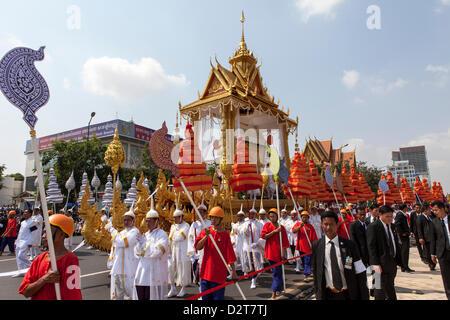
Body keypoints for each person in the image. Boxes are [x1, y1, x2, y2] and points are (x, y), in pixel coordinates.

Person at [18, 214, 82, 300]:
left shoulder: (70, 260)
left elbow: (73, 295)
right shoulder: (39, 259)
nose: (43, 236)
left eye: (47, 232)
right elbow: (26, 292)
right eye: (43, 232)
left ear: (62, 235)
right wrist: (44, 279)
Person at [311, 210, 368, 300]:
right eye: (325, 224)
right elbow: (316, 270)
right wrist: (317, 291)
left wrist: (364, 294)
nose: (328, 227)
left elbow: (360, 271)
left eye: (332, 224)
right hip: (328, 293)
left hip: (348, 293)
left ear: (337, 225)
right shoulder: (316, 245)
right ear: (322, 225)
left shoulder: (349, 245)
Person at [195, 206, 237, 300]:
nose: (213, 220)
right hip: (206, 273)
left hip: (219, 275)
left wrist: (234, 272)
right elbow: (198, 246)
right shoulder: (206, 231)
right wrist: (206, 236)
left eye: (216, 217)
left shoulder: (225, 235)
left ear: (220, 219)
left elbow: (230, 254)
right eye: (212, 217)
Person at [133, 204, 169, 300]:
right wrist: (139, 244)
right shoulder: (145, 235)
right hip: (142, 272)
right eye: (146, 221)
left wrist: (145, 245)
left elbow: (158, 252)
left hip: (154, 272)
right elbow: (137, 254)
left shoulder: (162, 235)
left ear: (156, 221)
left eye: (150, 221)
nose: (147, 223)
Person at [367, 205, 402, 300]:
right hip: (379, 264)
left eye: (391, 216)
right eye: (387, 216)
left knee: (390, 287)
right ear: (380, 215)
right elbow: (371, 247)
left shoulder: (392, 226)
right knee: (379, 289)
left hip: (391, 263)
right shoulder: (373, 227)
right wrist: (375, 264)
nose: (390, 218)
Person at [105, 208, 139, 300]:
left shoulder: (135, 231)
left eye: (128, 219)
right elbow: (115, 247)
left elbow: (122, 242)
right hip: (118, 268)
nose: (126, 222)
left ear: (133, 221)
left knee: (132, 294)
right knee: (117, 295)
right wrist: (111, 261)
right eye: (124, 219)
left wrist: (112, 230)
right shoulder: (122, 232)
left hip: (129, 269)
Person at [261, 209, 289, 299]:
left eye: (273, 216)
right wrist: (274, 232)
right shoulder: (267, 225)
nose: (272, 218)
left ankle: (279, 288)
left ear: (277, 216)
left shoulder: (282, 227)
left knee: (278, 272)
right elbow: (263, 236)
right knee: (276, 272)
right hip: (270, 253)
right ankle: (274, 292)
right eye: (270, 216)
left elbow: (284, 243)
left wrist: (283, 255)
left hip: (279, 254)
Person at [168, 206, 191, 297]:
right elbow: (171, 237)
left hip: (183, 251)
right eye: (174, 217)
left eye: (176, 217)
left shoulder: (186, 226)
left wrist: (174, 236)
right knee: (170, 268)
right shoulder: (173, 226)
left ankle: (183, 288)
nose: (174, 219)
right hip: (173, 250)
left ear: (181, 217)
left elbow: (179, 237)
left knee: (182, 269)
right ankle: (172, 288)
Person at [187, 199, 211, 288]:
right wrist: (192, 252)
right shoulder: (194, 225)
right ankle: (200, 291)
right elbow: (190, 239)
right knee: (197, 273)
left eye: (202, 212)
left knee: (206, 274)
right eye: (198, 212)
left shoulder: (209, 223)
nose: (200, 214)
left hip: (207, 253)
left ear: (205, 213)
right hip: (196, 252)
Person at [240, 206, 265, 289]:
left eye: (253, 214)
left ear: (256, 214)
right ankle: (252, 276)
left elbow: (263, 236)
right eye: (250, 214)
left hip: (255, 248)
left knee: (255, 265)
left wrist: (257, 243)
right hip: (247, 248)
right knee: (249, 264)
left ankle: (253, 280)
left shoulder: (260, 224)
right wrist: (245, 230)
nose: (251, 215)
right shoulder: (245, 224)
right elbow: (240, 234)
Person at [430, 200, 450, 299]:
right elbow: (433, 239)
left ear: (443, 209)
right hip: (442, 253)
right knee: (446, 277)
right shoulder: (434, 222)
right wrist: (432, 254)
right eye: (433, 210)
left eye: (436, 210)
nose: (435, 212)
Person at [292, 210, 317, 281]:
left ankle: (306, 276)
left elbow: (314, 237)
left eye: (306, 217)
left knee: (307, 261)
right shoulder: (298, 224)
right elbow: (293, 231)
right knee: (303, 261)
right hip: (300, 247)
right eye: (303, 217)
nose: (304, 219)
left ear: (308, 218)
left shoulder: (310, 226)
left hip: (308, 247)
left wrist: (314, 246)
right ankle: (308, 271)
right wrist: (300, 227)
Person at [13, 210, 37, 276]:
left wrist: (30, 242)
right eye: (24, 212)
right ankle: (21, 271)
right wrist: (16, 241)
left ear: (30, 214)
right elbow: (20, 233)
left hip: (26, 241)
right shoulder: (23, 222)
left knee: (21, 255)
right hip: (19, 241)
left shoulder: (32, 222)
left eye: (26, 212)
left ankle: (33, 267)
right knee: (18, 256)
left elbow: (33, 233)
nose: (24, 213)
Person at [394, 203, 414, 272]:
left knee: (405, 252)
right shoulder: (400, 215)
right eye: (406, 207)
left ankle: (404, 266)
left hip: (405, 235)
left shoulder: (402, 214)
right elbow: (397, 225)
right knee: (404, 252)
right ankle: (404, 266)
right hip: (403, 237)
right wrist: (402, 233)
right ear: (404, 208)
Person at [416, 204, 436, 270]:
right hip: (426, 237)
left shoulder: (431, 217)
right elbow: (419, 228)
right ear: (425, 210)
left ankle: (433, 263)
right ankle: (431, 264)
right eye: (429, 209)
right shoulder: (420, 217)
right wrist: (420, 237)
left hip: (432, 236)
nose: (430, 211)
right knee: (428, 251)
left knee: (432, 250)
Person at [230, 205, 246, 273]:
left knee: (243, 258)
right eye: (238, 216)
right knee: (234, 258)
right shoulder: (235, 225)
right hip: (236, 244)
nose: (239, 217)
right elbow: (232, 234)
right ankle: (233, 272)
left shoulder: (245, 224)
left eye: (241, 216)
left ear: (243, 217)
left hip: (243, 244)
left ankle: (245, 271)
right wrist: (233, 241)